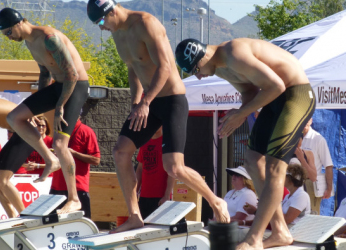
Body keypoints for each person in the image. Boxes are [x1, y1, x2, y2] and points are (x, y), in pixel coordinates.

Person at [86, 0, 230, 233]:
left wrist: (145, 102)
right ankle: (135, 215)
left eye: (101, 21)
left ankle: (215, 200)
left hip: (172, 99)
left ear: (113, 10)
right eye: (96, 24)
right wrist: (135, 104)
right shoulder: (118, 34)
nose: (101, 27)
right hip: (147, 103)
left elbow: (165, 66)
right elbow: (133, 69)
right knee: (121, 152)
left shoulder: (147, 24)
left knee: (174, 167)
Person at [175, 38, 315, 249]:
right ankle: (279, 231)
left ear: (203, 55)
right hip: (276, 98)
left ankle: (255, 238)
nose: (199, 76)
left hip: (296, 95)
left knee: (275, 166)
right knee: (251, 161)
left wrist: (242, 113)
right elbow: (250, 91)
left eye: (197, 69)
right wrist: (241, 110)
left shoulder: (234, 54)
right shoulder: (219, 67)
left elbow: (276, 85)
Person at [0, 7, 90, 214]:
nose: (9, 38)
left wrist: (58, 108)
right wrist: (38, 104)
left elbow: (72, 74)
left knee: (60, 142)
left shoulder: (49, 38)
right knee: (15, 117)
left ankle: (74, 199)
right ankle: (49, 159)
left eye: (8, 33)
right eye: (5, 35)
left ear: (18, 23)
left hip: (75, 86)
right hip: (57, 85)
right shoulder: (30, 42)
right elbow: (44, 72)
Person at [49, 118, 100, 218]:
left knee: (81, 225)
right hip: (57, 186)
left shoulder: (86, 131)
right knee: (53, 225)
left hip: (78, 187)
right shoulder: (59, 130)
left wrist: (73, 153)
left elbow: (96, 160)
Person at [136, 127, 174, 219]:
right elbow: (140, 169)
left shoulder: (167, 142)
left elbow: (171, 172)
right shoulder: (144, 142)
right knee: (143, 228)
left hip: (161, 197)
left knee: (160, 229)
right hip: (144, 196)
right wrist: (135, 191)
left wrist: (166, 195)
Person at [301, 118, 333, 215]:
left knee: (312, 215)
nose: (305, 121)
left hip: (311, 184)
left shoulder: (318, 139)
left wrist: (329, 188)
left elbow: (328, 166)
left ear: (311, 120)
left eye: (308, 119)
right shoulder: (294, 138)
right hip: (295, 183)